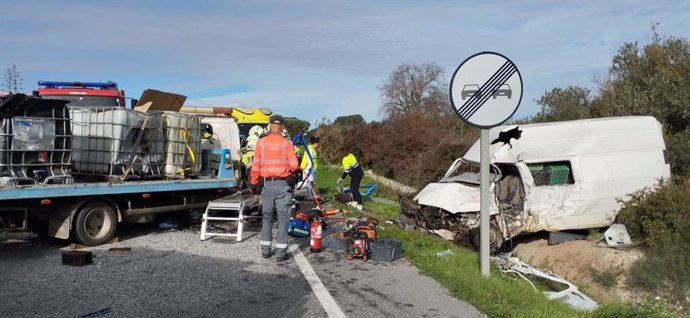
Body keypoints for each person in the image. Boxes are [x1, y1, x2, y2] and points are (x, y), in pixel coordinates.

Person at [250, 115, 299, 262]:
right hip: (283, 185)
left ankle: (265, 251)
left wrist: (254, 183)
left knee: (267, 218)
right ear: (282, 126)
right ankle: (281, 253)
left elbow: (255, 165)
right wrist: (290, 173)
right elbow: (295, 165)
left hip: (267, 185)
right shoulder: (286, 143)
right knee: (283, 219)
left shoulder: (261, 142)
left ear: (270, 126)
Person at [300, 136, 319, 200]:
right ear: (316, 143)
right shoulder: (310, 149)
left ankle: (313, 195)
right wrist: (310, 169)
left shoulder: (311, 149)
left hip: (311, 169)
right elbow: (308, 159)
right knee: (308, 183)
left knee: (310, 183)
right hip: (308, 169)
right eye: (318, 143)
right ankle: (310, 197)